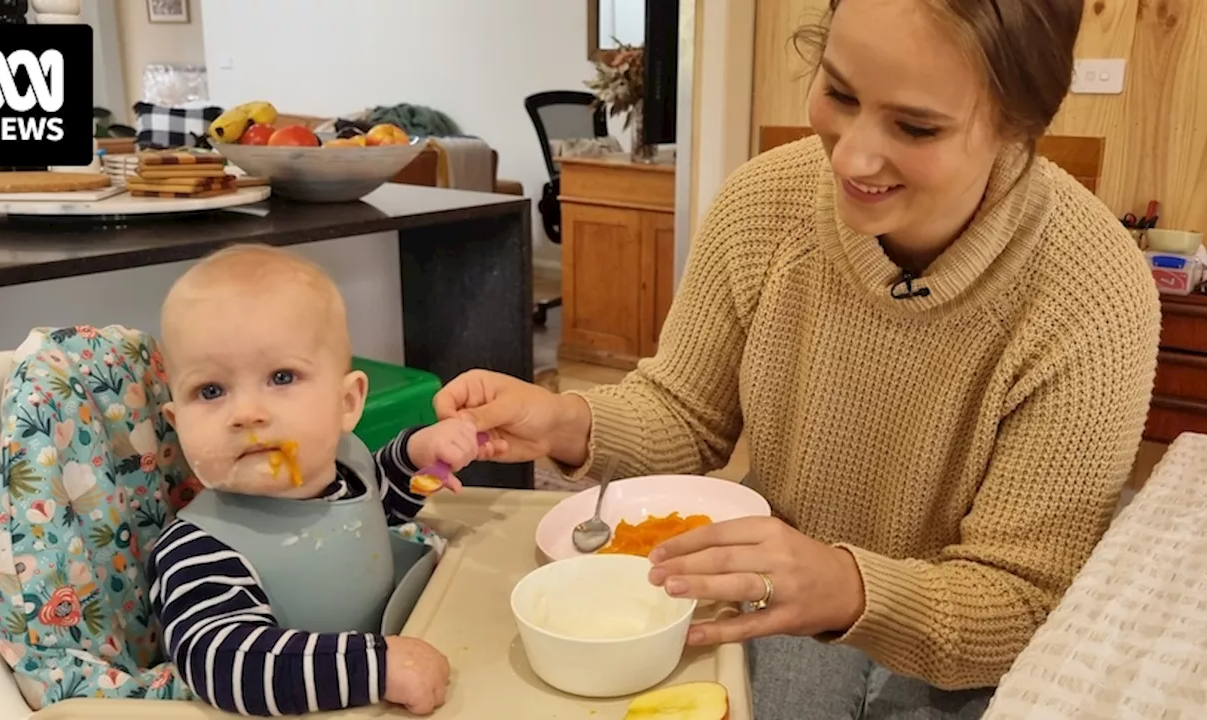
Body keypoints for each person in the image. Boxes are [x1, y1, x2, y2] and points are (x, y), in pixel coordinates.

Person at [434, 0, 1160, 716]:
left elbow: (1022, 599)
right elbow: (685, 414)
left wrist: (848, 585)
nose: (850, 156)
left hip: (963, 662)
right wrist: (568, 421)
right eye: (839, 91)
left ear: (1020, 126)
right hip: (771, 604)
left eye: (914, 126)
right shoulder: (764, 205)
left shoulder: (1093, 293)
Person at [149, 244, 493, 716]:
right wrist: (376, 668)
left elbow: (373, 507)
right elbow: (225, 662)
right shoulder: (199, 549)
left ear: (347, 403)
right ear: (176, 420)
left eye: (281, 376)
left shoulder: (345, 466)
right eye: (210, 391)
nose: (247, 413)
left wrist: (420, 458)